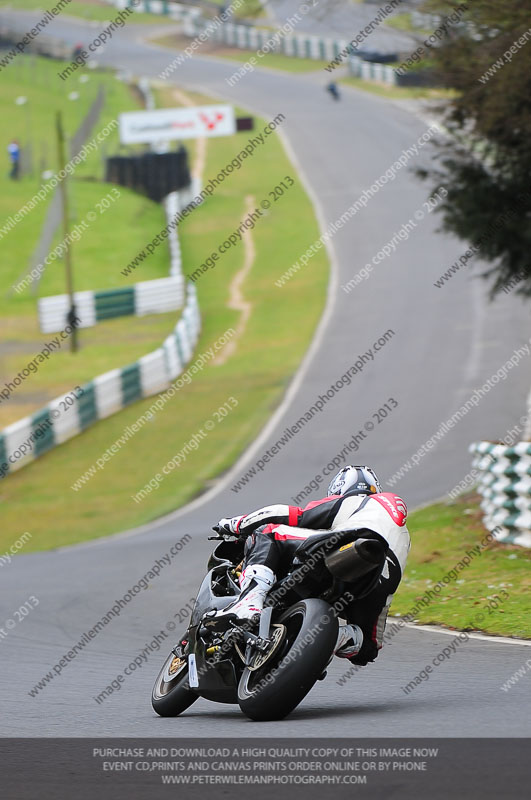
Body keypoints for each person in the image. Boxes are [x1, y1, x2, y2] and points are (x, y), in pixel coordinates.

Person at [209, 465, 410, 665]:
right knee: (366, 647)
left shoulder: (354, 501)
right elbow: (369, 648)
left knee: (268, 532)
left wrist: (235, 524)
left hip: (345, 543)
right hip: (376, 585)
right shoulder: (404, 536)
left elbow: (292, 514)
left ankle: (248, 603)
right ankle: (337, 638)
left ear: (339, 489)